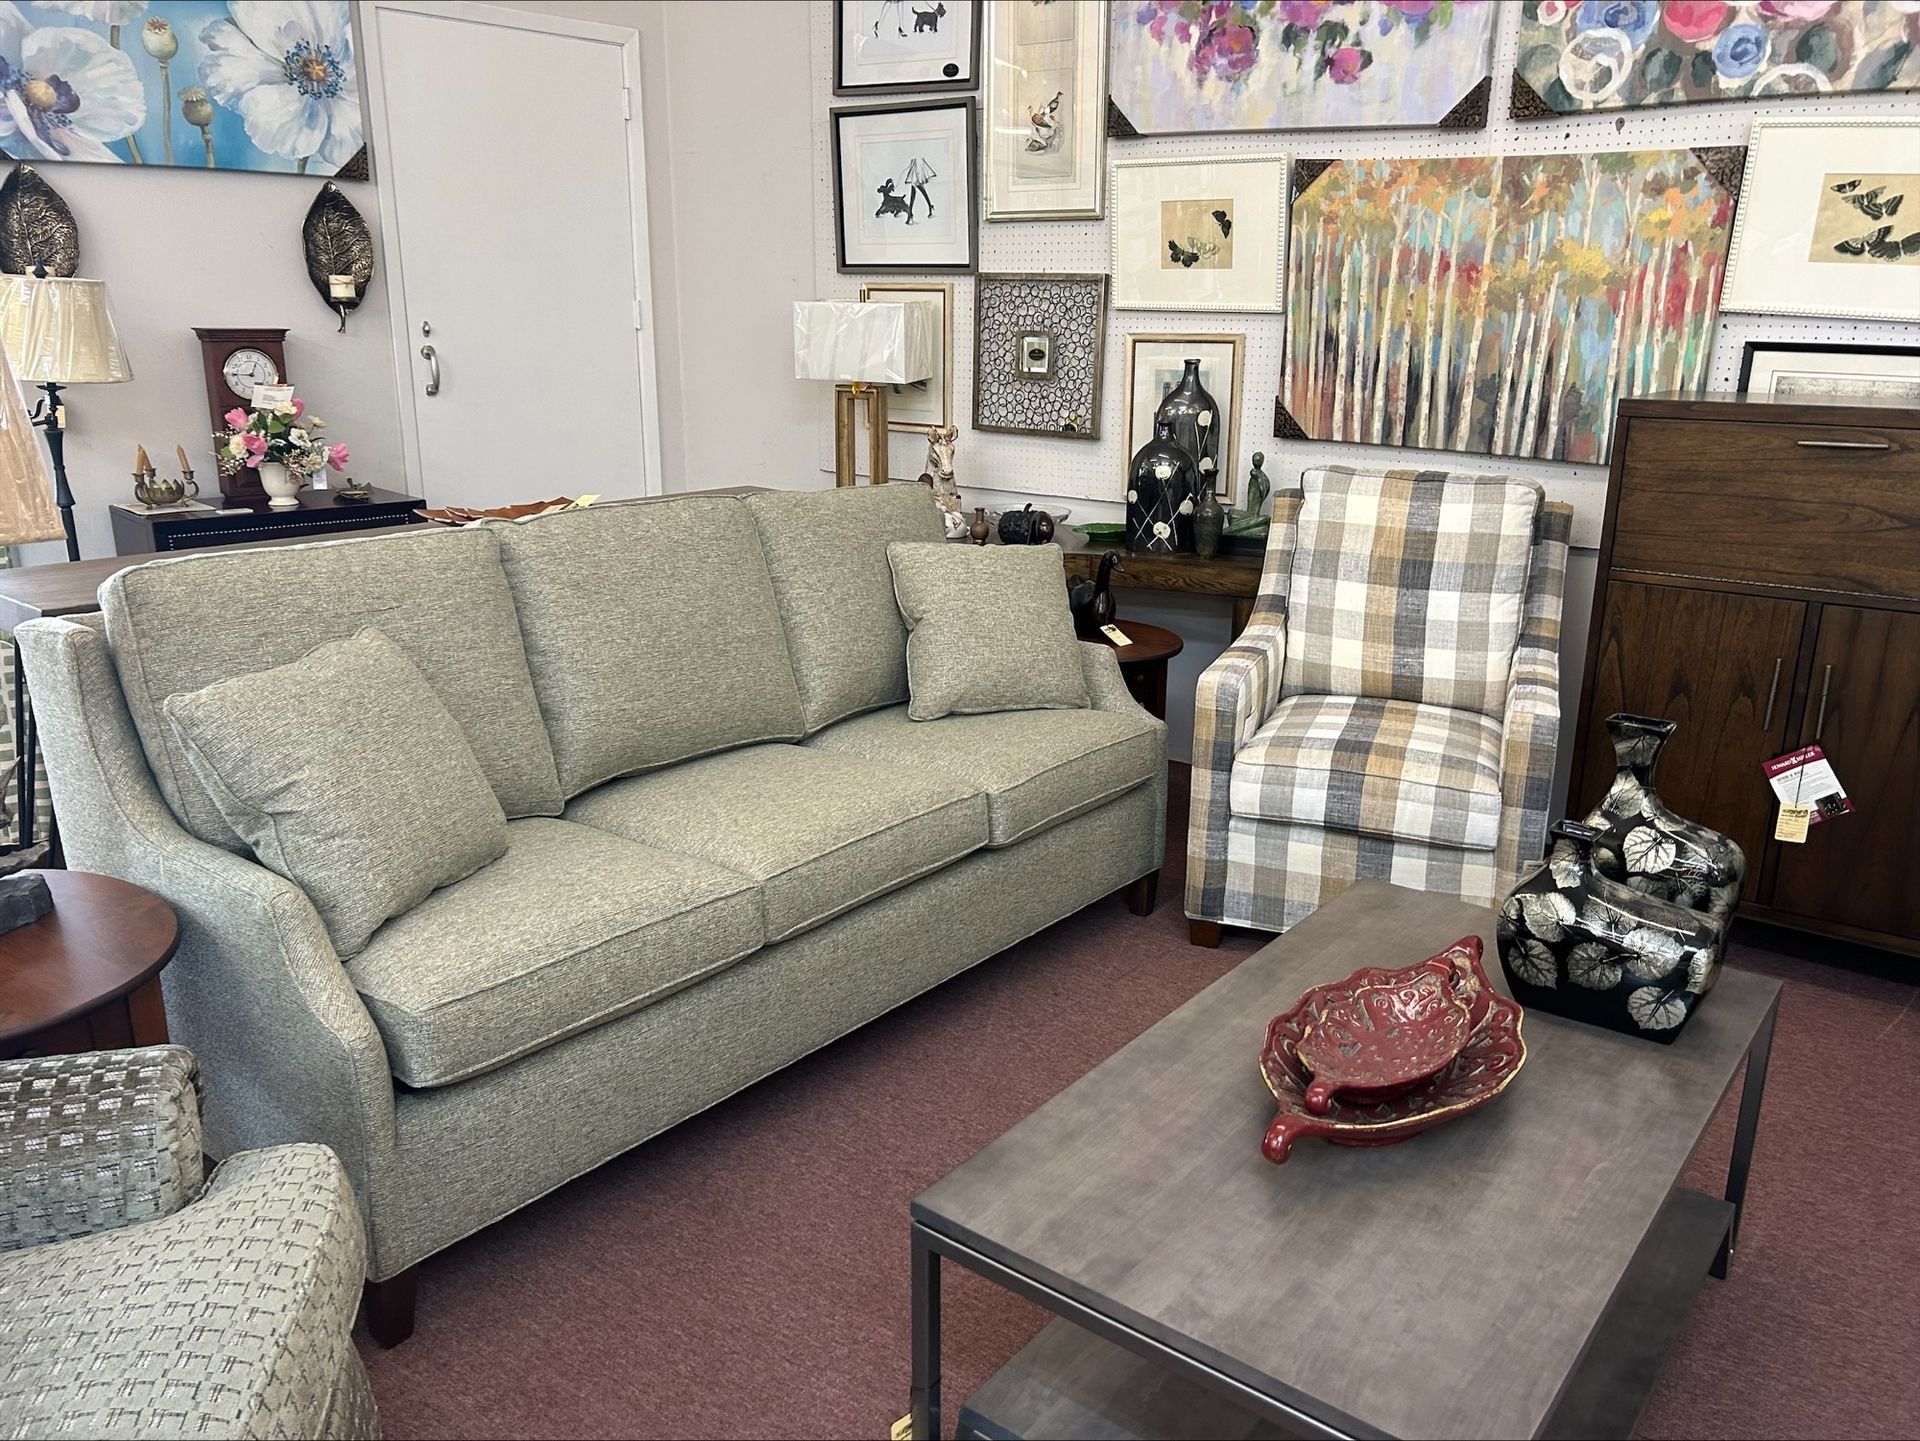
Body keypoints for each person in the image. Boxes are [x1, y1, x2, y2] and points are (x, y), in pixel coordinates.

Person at [903, 156, 936, 222]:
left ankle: (910, 213)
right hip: (915, 164)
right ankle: (929, 206)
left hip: (918, 166)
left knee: (916, 186)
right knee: (917, 187)